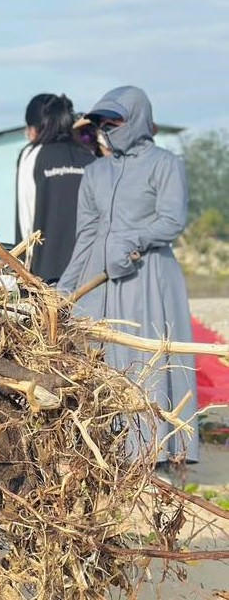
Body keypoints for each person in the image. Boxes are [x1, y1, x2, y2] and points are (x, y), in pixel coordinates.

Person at [57, 86, 199, 466]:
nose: (107, 128)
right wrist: (67, 286)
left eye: (115, 120)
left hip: (146, 275)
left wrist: (132, 240)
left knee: (146, 358)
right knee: (101, 361)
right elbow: (86, 233)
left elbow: (171, 221)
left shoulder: (166, 164)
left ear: (136, 118)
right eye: (103, 122)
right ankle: (109, 451)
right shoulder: (95, 172)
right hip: (99, 278)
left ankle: (157, 452)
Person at [14, 94, 95, 283]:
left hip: (46, 275)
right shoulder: (89, 157)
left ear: (35, 127)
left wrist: (20, 271)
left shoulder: (31, 155)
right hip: (89, 273)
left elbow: (25, 216)